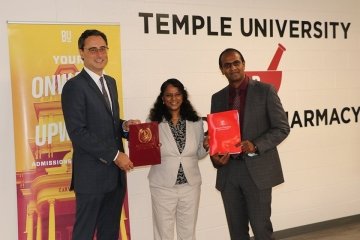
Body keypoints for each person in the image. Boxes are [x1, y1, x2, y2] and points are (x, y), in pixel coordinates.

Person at [61, 29, 140, 240]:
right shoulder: (74, 87)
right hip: (91, 177)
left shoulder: (111, 82)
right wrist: (116, 155)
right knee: (84, 234)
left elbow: (108, 122)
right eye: (92, 49)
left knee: (109, 232)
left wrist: (125, 126)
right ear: (82, 53)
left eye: (102, 48)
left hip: (114, 178)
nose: (99, 54)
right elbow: (78, 132)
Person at [210, 48, 290, 240]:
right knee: (237, 233)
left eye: (236, 62)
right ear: (221, 70)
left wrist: (255, 145)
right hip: (229, 173)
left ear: (244, 64)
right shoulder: (217, 98)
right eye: (227, 65)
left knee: (261, 230)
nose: (233, 68)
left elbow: (282, 128)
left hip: (257, 171)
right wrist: (211, 143)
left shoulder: (266, 91)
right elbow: (218, 132)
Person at [147, 78, 209, 240]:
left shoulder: (196, 122)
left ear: (183, 96)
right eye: (168, 95)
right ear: (162, 98)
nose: (173, 99)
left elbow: (199, 154)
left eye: (177, 94)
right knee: (163, 233)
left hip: (190, 186)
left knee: (188, 232)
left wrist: (206, 146)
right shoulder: (153, 123)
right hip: (163, 186)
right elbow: (147, 154)